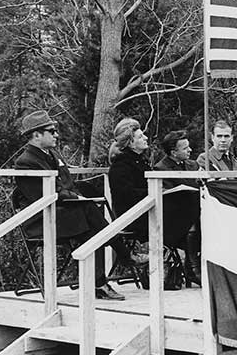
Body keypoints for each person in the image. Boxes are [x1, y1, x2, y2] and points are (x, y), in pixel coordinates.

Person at [14, 110, 144, 301]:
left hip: (64, 212)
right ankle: (122, 256)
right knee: (89, 213)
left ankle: (100, 282)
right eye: (51, 131)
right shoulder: (25, 162)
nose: (56, 134)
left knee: (92, 226)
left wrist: (75, 196)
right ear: (36, 135)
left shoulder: (52, 154)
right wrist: (74, 197)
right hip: (41, 218)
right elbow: (42, 196)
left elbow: (67, 184)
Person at [154, 130, 201, 288]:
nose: (190, 150)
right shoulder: (160, 169)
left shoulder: (193, 165)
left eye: (189, 147)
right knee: (192, 226)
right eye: (185, 148)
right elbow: (168, 198)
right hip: (173, 218)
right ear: (173, 152)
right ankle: (192, 269)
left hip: (195, 212)